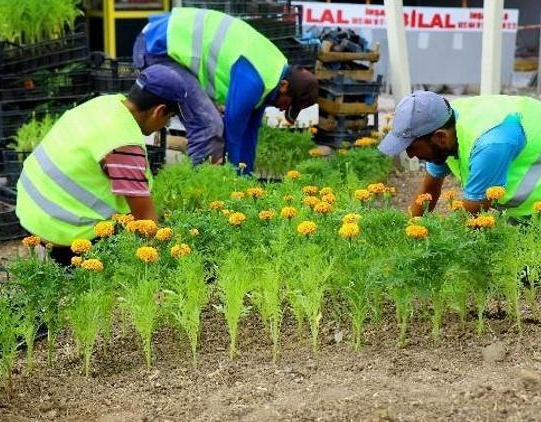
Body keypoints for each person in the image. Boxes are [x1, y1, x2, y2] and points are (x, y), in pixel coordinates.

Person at [378, 91, 541, 307]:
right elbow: (428, 193)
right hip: (538, 212)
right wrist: (405, 236)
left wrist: (436, 256)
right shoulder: (447, 129)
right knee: (512, 273)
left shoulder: (489, 142)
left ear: (439, 137)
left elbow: (472, 215)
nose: (409, 153)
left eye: (411, 145)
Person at [16, 64, 185, 266]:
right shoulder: (122, 143)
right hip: (63, 233)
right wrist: (168, 262)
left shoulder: (104, 104)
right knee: (131, 235)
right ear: (159, 111)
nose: (165, 126)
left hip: (31, 211)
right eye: (169, 119)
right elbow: (145, 221)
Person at [133, 7, 319, 173]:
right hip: (159, 47)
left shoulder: (273, 75)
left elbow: (249, 132)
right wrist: (235, 183)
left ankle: (208, 186)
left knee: (214, 126)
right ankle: (198, 195)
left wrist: (247, 180)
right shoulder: (254, 79)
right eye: (288, 104)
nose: (282, 109)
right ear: (284, 85)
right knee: (209, 126)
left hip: (166, 43)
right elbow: (234, 133)